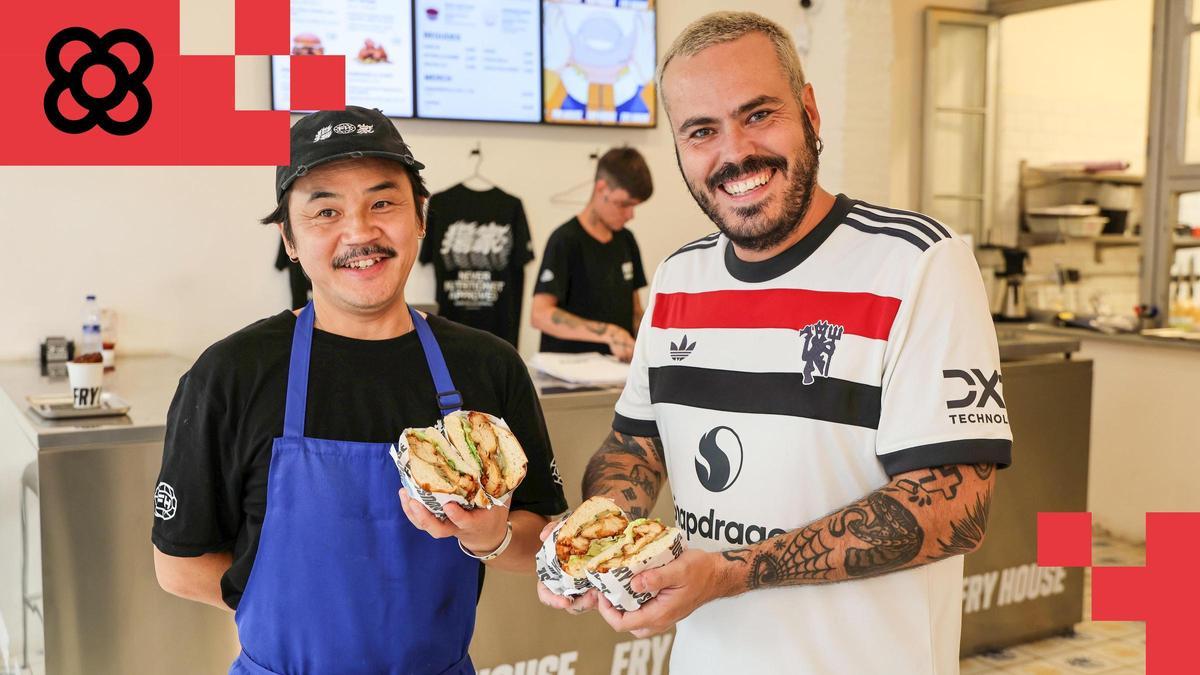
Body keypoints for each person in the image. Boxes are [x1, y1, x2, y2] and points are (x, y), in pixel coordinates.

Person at [537, 12, 1012, 674]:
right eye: (701, 131)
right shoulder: (679, 279)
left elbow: (957, 503)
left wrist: (732, 571)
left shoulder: (917, 263)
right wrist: (600, 534)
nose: (734, 152)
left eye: (758, 114)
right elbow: (633, 445)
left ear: (810, 110)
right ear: (679, 147)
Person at [151, 106, 567, 675]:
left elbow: (541, 538)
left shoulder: (488, 367)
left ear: (421, 217)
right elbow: (179, 564)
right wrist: (292, 612)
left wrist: (492, 536)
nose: (360, 231)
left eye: (383, 201)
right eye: (326, 210)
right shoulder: (230, 375)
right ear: (289, 239)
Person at [530, 147, 652, 361]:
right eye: (623, 204)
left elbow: (634, 309)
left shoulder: (626, 240)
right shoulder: (565, 240)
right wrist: (608, 333)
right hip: (568, 374)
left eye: (635, 207)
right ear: (601, 189)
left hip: (617, 373)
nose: (630, 215)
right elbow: (540, 315)